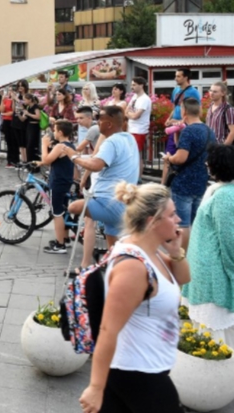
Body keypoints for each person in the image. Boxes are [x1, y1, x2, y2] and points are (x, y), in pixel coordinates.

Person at [78, 182, 189, 413]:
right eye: (172, 215)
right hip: (136, 373)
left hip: (145, 368)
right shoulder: (133, 267)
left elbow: (183, 278)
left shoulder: (149, 251)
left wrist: (175, 251)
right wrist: (96, 387)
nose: (178, 220)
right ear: (152, 221)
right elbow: (108, 329)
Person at [64, 106, 141, 268]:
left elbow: (96, 164)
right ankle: (117, 269)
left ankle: (87, 265)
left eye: (100, 119)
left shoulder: (111, 142)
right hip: (124, 200)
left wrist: (74, 157)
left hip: (109, 201)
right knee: (113, 243)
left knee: (73, 207)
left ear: (109, 124)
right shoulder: (129, 138)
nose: (97, 122)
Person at [182, 144, 234, 345]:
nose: (206, 164)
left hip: (212, 275)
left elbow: (229, 241)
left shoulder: (222, 194)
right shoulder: (222, 192)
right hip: (211, 274)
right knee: (216, 340)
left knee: (214, 341)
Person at [162, 97, 213, 251]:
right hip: (201, 181)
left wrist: (169, 158)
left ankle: (183, 256)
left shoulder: (189, 131)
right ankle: (196, 254)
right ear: (200, 111)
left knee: (182, 223)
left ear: (184, 111)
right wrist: (178, 133)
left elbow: (180, 158)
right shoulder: (209, 131)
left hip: (184, 182)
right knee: (196, 222)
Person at [39, 120, 76, 254]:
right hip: (66, 181)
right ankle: (65, 238)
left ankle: (60, 245)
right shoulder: (70, 145)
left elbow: (46, 160)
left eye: (55, 130)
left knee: (57, 212)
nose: (53, 132)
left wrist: (44, 145)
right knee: (64, 210)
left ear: (60, 132)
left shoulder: (60, 146)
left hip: (57, 182)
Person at [126, 77, 152, 169]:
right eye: (131, 85)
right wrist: (131, 114)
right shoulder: (134, 97)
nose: (131, 87)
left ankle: (138, 176)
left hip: (139, 130)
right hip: (131, 129)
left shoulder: (145, 99)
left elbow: (136, 116)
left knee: (136, 155)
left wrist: (130, 114)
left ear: (141, 85)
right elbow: (126, 111)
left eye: (134, 85)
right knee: (130, 155)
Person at [1, 86, 18, 168]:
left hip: (13, 121)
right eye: (9, 91)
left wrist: (14, 100)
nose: (10, 92)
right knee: (8, 141)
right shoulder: (6, 99)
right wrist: (2, 100)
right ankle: (9, 160)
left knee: (14, 141)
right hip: (6, 121)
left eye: (11, 91)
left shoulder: (16, 100)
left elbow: (13, 112)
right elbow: (1, 110)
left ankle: (15, 160)